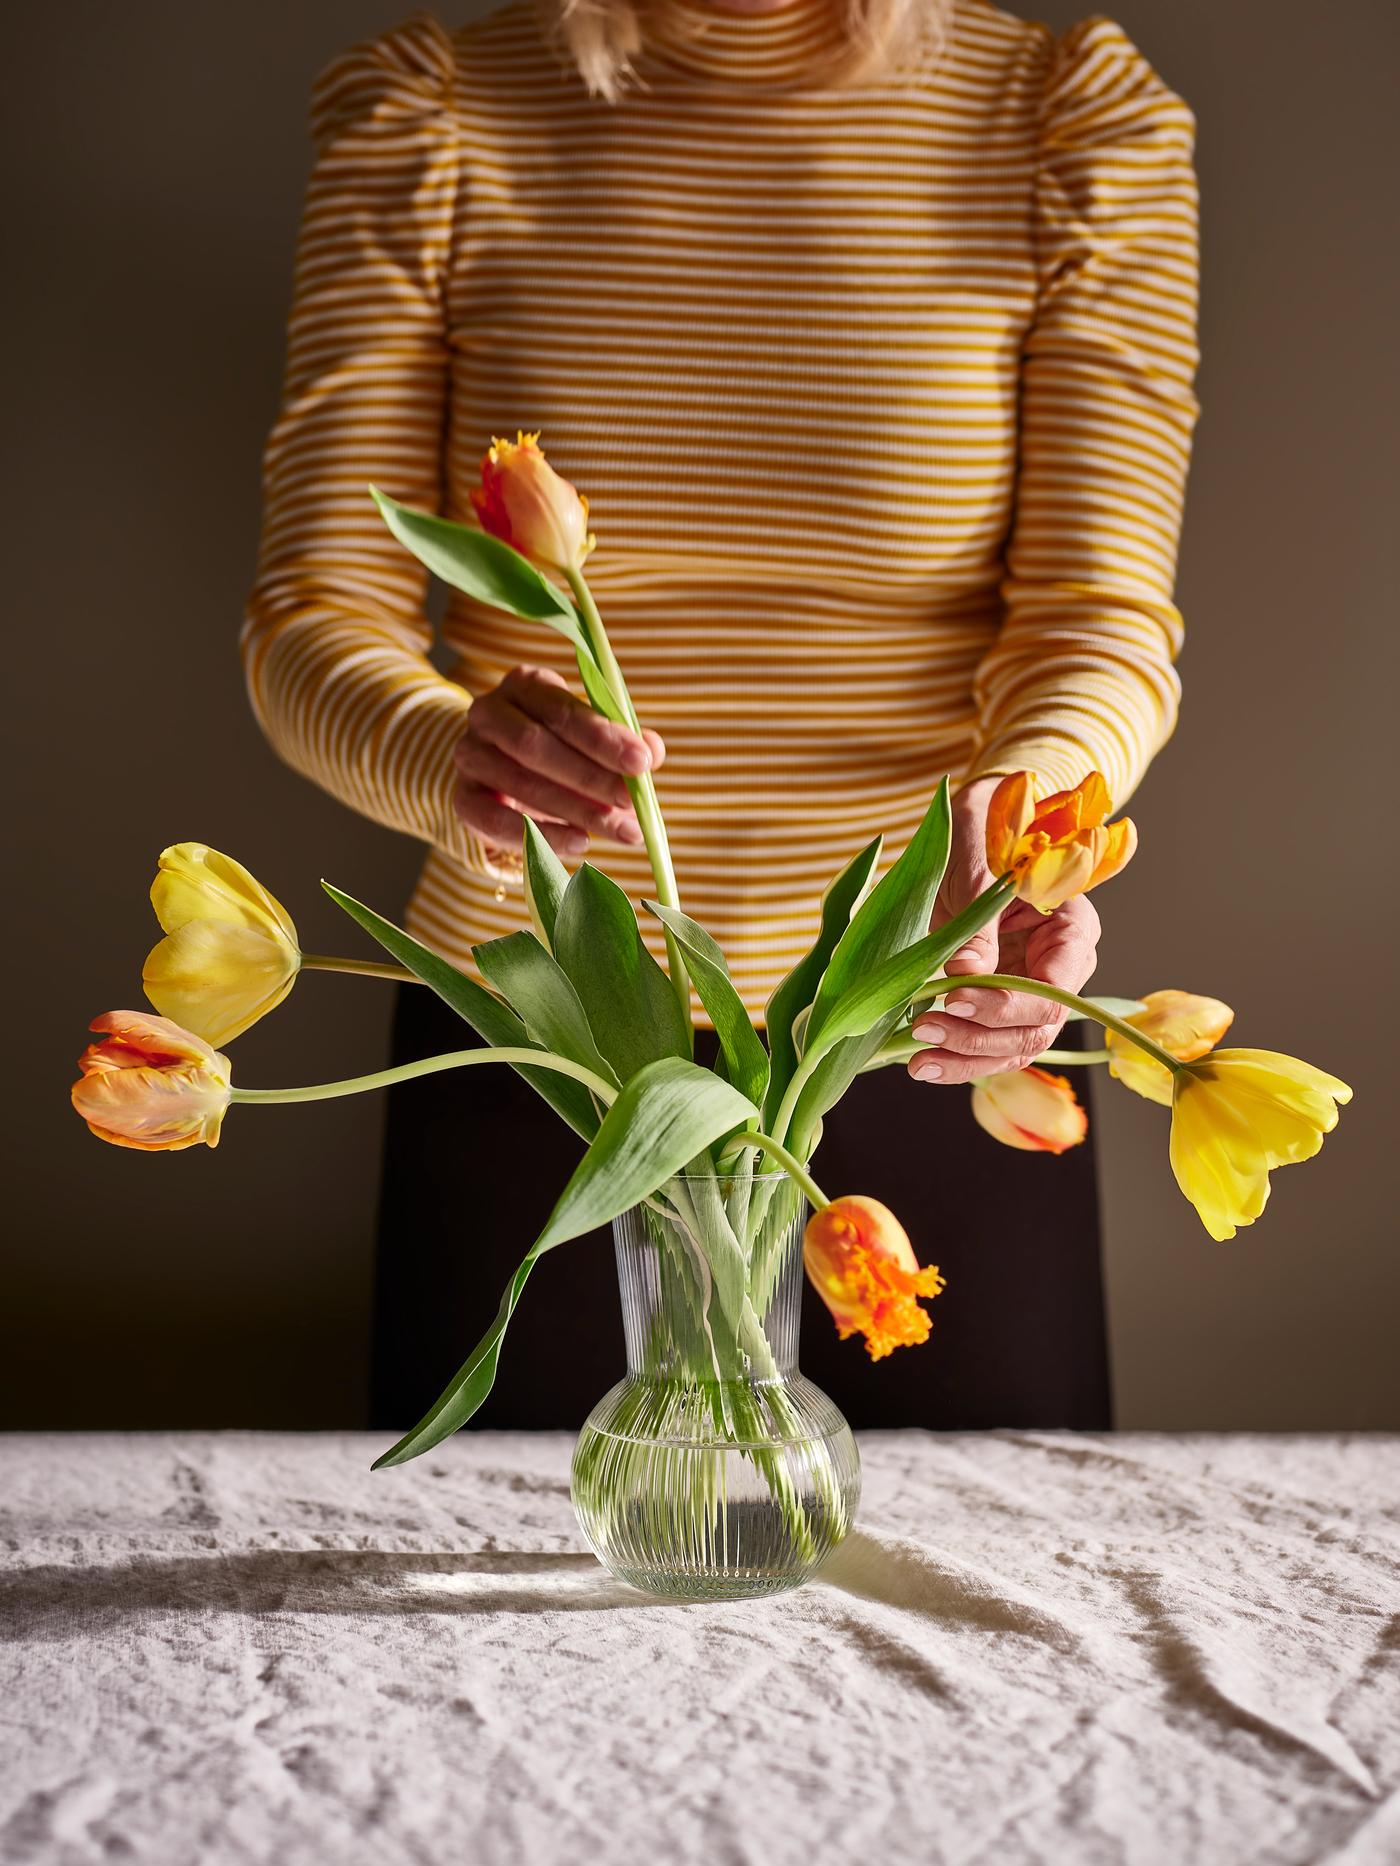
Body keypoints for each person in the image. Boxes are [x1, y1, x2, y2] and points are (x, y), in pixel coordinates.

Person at [242, 0, 1200, 1431]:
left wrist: (1012, 846)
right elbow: (312, 617)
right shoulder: (432, 115)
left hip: (932, 1036)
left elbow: (1100, 621)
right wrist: (449, 752)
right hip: (543, 1041)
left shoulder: (1070, 123)